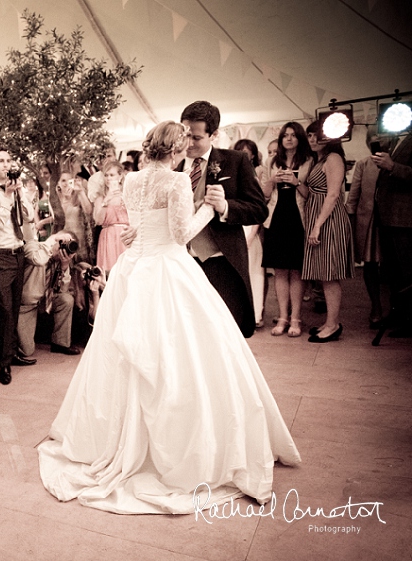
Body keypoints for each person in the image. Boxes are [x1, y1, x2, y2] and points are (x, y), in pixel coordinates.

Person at [38, 121, 301, 515]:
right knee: (181, 354)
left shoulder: (131, 180)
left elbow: (138, 225)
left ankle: (115, 437)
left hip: (134, 267)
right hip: (166, 267)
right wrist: (210, 210)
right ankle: (178, 445)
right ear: (177, 150)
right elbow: (180, 235)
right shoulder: (176, 182)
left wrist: (135, 236)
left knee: (128, 357)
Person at [170, 100, 268, 338]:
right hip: (181, 263)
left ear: (213, 135)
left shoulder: (235, 161)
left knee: (225, 334)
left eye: (196, 137)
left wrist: (225, 207)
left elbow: (258, 209)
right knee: (189, 334)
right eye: (185, 135)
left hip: (221, 262)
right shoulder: (172, 167)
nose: (188, 143)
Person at [0, 148, 35, 385]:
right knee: (4, 309)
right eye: (1, 161)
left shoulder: (15, 187)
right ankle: (4, 365)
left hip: (18, 252)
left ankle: (10, 354)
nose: (6, 164)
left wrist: (20, 192)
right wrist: (9, 196)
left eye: (8, 160)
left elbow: (29, 217)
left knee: (13, 307)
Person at [301, 121, 354, 342]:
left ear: (330, 137)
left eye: (317, 136)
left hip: (329, 221)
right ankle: (329, 322)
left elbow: (333, 195)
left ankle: (332, 325)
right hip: (320, 218)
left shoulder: (333, 158)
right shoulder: (320, 159)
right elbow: (312, 193)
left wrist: (317, 224)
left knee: (330, 275)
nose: (312, 140)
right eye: (310, 136)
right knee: (324, 275)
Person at [261, 123, 314, 338]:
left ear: (299, 138)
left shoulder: (309, 161)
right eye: (286, 135)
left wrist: (295, 181)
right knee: (280, 271)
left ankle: (296, 317)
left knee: (296, 271)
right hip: (276, 218)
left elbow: (311, 194)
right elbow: (263, 194)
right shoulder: (272, 161)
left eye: (293, 135)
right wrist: (272, 180)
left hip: (298, 218)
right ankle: (282, 317)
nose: (289, 139)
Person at [372, 131, 412, 336]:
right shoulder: (396, 140)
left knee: (408, 272)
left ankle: (409, 320)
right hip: (387, 218)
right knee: (392, 273)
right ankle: (399, 314)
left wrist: (393, 167)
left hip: (405, 220)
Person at [347, 131, 386, 328]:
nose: (376, 142)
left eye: (380, 137)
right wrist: (350, 222)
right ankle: (376, 308)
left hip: (391, 222)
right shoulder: (363, 163)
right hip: (368, 220)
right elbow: (354, 195)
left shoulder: (398, 161)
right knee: (370, 266)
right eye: (371, 139)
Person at [233, 139, 270, 329]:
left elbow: (258, 207)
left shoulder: (256, 175)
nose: (242, 156)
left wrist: (252, 234)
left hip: (251, 229)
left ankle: (256, 313)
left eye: (246, 153)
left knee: (255, 273)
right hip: (235, 226)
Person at [92, 159, 129, 275]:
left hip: (125, 235)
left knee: (126, 272)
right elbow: (98, 221)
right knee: (109, 274)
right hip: (108, 236)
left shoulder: (128, 193)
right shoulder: (100, 197)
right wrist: (105, 201)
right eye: (106, 175)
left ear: (120, 176)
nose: (108, 178)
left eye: (112, 175)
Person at [57, 170, 94, 264]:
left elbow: (89, 210)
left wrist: (81, 192)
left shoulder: (78, 195)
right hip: (64, 240)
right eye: (63, 180)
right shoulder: (56, 199)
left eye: (69, 181)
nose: (66, 184)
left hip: (80, 241)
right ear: (58, 183)